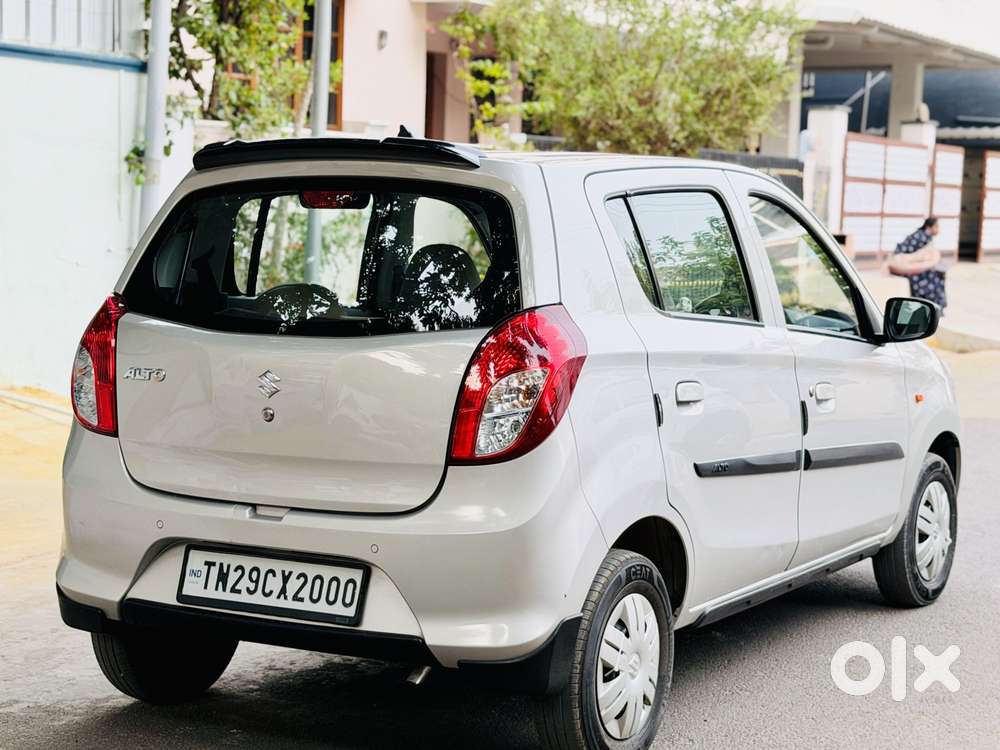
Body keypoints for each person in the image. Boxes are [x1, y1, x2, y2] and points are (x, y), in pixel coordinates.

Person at [889, 217, 946, 310]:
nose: (938, 229)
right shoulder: (920, 237)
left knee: (938, 273)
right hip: (907, 268)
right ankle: (929, 306)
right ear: (929, 227)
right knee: (934, 276)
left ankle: (935, 306)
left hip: (916, 266)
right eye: (936, 226)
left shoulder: (927, 237)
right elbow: (912, 256)